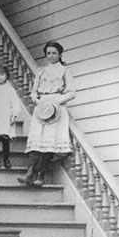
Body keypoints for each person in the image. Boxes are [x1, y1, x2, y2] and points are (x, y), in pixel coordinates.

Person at [17, 40, 76, 187]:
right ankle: (29, 172)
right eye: (48, 53)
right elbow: (34, 91)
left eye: (54, 53)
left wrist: (56, 101)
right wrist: (37, 100)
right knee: (37, 142)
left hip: (56, 109)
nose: (51, 56)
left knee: (49, 143)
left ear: (60, 54)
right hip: (42, 108)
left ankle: (40, 175)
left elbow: (72, 93)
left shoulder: (65, 70)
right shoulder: (41, 71)